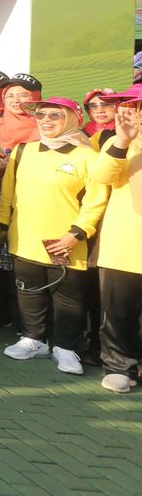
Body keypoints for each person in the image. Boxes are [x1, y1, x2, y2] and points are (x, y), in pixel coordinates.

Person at [0, 97, 109, 376]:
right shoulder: (24, 151)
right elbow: (8, 192)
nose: (46, 121)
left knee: (68, 298)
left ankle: (66, 347)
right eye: (42, 115)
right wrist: (2, 224)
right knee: (28, 290)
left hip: (67, 241)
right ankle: (34, 339)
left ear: (71, 119)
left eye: (55, 116)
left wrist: (77, 234)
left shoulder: (87, 156)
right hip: (25, 237)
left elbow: (96, 201)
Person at [91, 99, 142, 391]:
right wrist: (123, 139)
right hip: (124, 246)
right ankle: (119, 365)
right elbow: (101, 176)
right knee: (118, 312)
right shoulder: (122, 145)